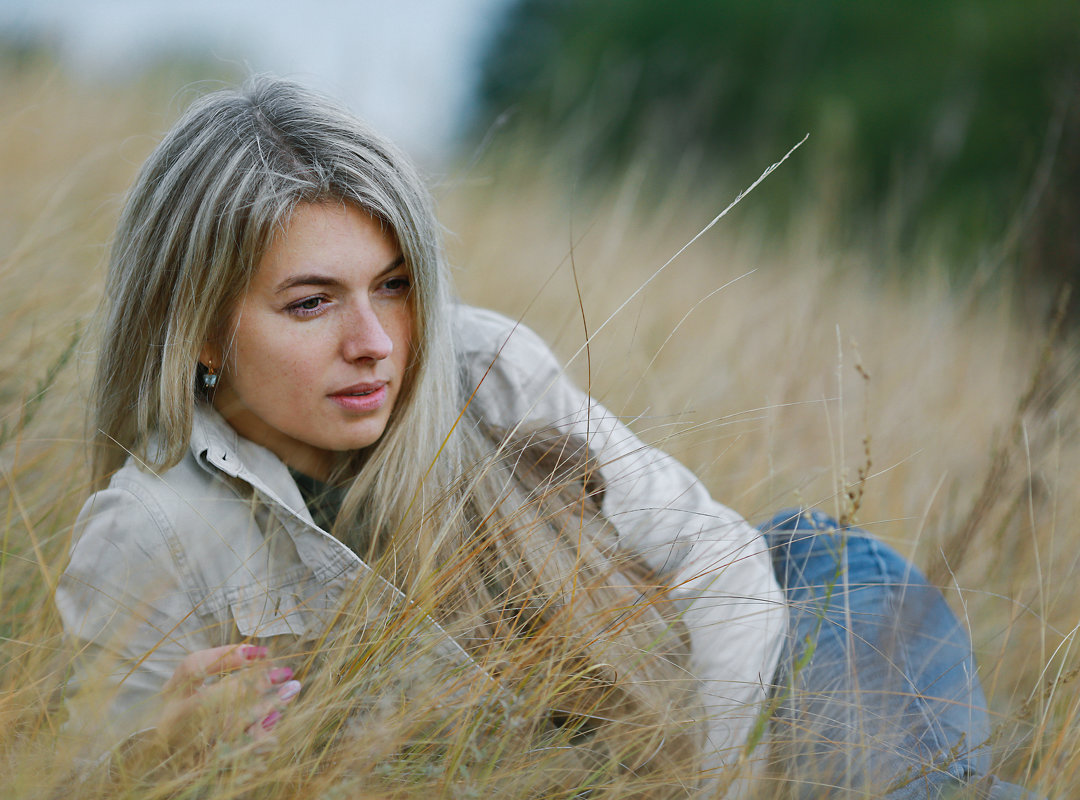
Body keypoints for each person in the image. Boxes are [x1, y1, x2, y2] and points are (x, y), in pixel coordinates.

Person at [55, 76, 1036, 798]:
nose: (374, 342)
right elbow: (97, 772)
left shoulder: (478, 362)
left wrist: (721, 784)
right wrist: (161, 758)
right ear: (200, 330)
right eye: (311, 303)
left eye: (393, 285)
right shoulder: (148, 534)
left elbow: (722, 562)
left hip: (799, 619)